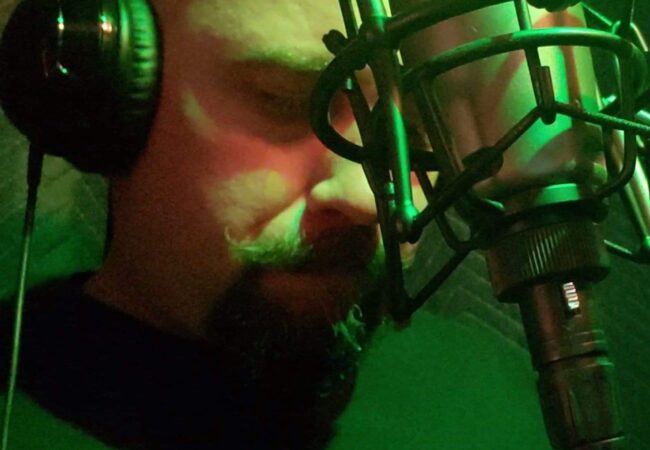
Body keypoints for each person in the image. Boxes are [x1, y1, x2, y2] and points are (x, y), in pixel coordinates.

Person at [1, 0, 648, 449]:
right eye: (285, 102)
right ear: (105, 94)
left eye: (416, 129)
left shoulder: (499, 406)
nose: (370, 196)